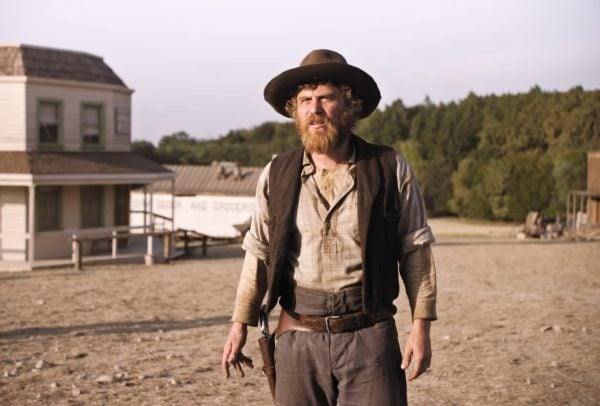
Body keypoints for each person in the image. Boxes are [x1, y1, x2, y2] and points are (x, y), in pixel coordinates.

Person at [222, 49, 437, 405]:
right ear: (295, 111)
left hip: (370, 336)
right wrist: (239, 325)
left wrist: (421, 327)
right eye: (305, 100)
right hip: (297, 337)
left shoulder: (388, 167)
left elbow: (415, 250)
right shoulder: (277, 173)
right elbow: (258, 252)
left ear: (349, 107)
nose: (315, 109)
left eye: (326, 98)